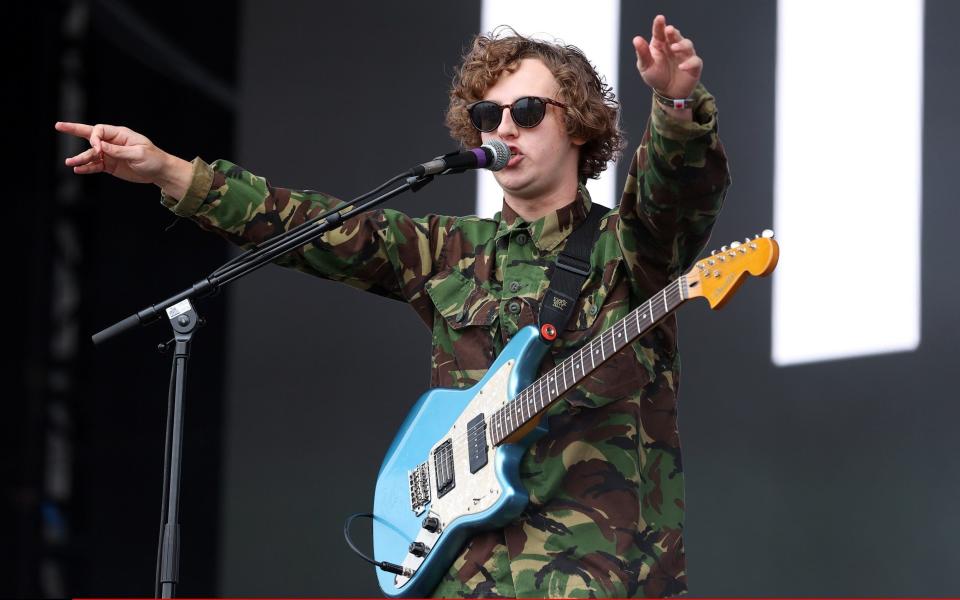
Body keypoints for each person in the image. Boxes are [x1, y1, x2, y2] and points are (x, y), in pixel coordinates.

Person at [57, 15, 729, 598]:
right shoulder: (445, 252)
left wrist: (675, 107)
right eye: (487, 116)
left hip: (597, 574)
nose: (505, 129)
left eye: (526, 112)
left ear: (579, 124)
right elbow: (313, 228)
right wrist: (170, 170)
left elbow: (673, 194)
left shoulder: (627, 247)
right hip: (463, 577)